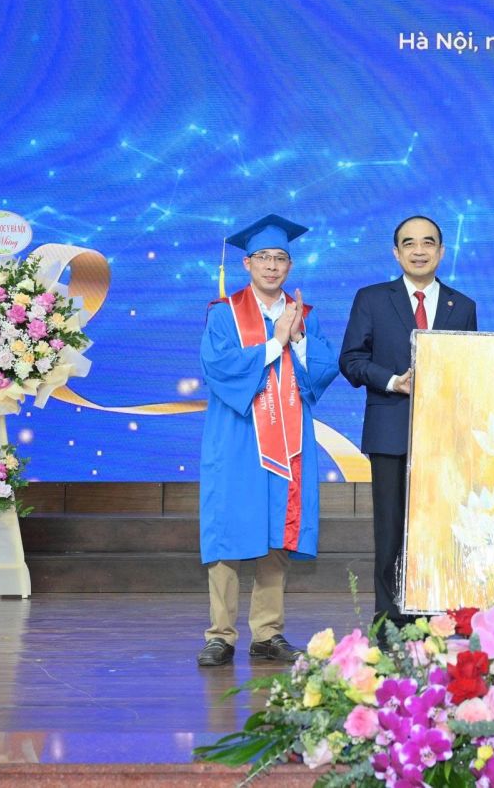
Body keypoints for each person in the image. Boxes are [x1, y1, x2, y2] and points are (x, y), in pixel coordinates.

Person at [196, 214, 339, 668]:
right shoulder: (225, 313)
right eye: (263, 257)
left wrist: (298, 340)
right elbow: (218, 368)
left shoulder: (304, 316)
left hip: (289, 441)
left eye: (280, 258)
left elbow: (323, 371)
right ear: (247, 263)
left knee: (278, 529)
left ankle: (267, 633)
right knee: (227, 530)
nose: (272, 266)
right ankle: (220, 635)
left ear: (290, 266)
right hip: (236, 437)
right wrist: (276, 343)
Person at [340, 215, 477, 633]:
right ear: (396, 252)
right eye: (409, 243)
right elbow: (351, 360)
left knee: (437, 532)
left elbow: (468, 371)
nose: (419, 251)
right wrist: (392, 381)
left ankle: (436, 619)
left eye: (428, 243)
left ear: (441, 251)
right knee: (390, 532)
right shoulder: (372, 299)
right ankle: (389, 622)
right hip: (389, 432)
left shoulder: (462, 306)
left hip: (443, 438)